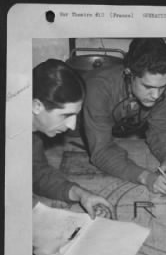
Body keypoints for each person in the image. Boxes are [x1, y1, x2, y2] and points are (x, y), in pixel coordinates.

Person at [82, 38, 166, 195]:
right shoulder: (99, 87)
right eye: (148, 87)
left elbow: (162, 129)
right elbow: (101, 151)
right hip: (78, 136)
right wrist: (145, 177)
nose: (156, 95)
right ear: (129, 73)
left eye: (161, 87)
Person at [32, 59, 115, 219]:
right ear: (37, 106)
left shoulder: (32, 135)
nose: (72, 125)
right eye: (66, 115)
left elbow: (37, 174)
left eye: (76, 115)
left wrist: (81, 194)